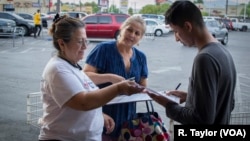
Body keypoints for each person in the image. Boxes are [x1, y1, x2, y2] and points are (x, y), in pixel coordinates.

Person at [38, 15, 145, 141]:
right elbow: (83, 102)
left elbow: (83, 96)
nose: (85, 46)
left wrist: (99, 115)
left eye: (86, 41)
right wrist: (118, 88)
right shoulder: (58, 69)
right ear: (62, 43)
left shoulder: (72, 65)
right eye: (79, 41)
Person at [146, 1, 236, 124]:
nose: (176, 38)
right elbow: (228, 102)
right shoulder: (223, 52)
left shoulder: (205, 59)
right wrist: (191, 97)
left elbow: (201, 121)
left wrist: (168, 104)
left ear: (188, 27)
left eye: (176, 31)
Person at [83, 15, 148, 140]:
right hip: (103, 115)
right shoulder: (103, 49)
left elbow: (143, 85)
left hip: (129, 120)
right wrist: (111, 78)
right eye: (129, 30)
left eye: (137, 33)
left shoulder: (141, 57)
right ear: (122, 29)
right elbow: (85, 76)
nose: (132, 35)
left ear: (140, 38)